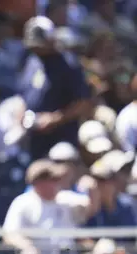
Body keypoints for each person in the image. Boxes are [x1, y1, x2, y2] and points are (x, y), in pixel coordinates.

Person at [18, 16, 91, 160]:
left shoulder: (69, 64)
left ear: (51, 40)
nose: (36, 48)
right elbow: (23, 94)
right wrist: (22, 116)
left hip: (60, 137)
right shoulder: (31, 60)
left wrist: (55, 119)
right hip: (33, 136)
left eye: (40, 44)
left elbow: (83, 103)